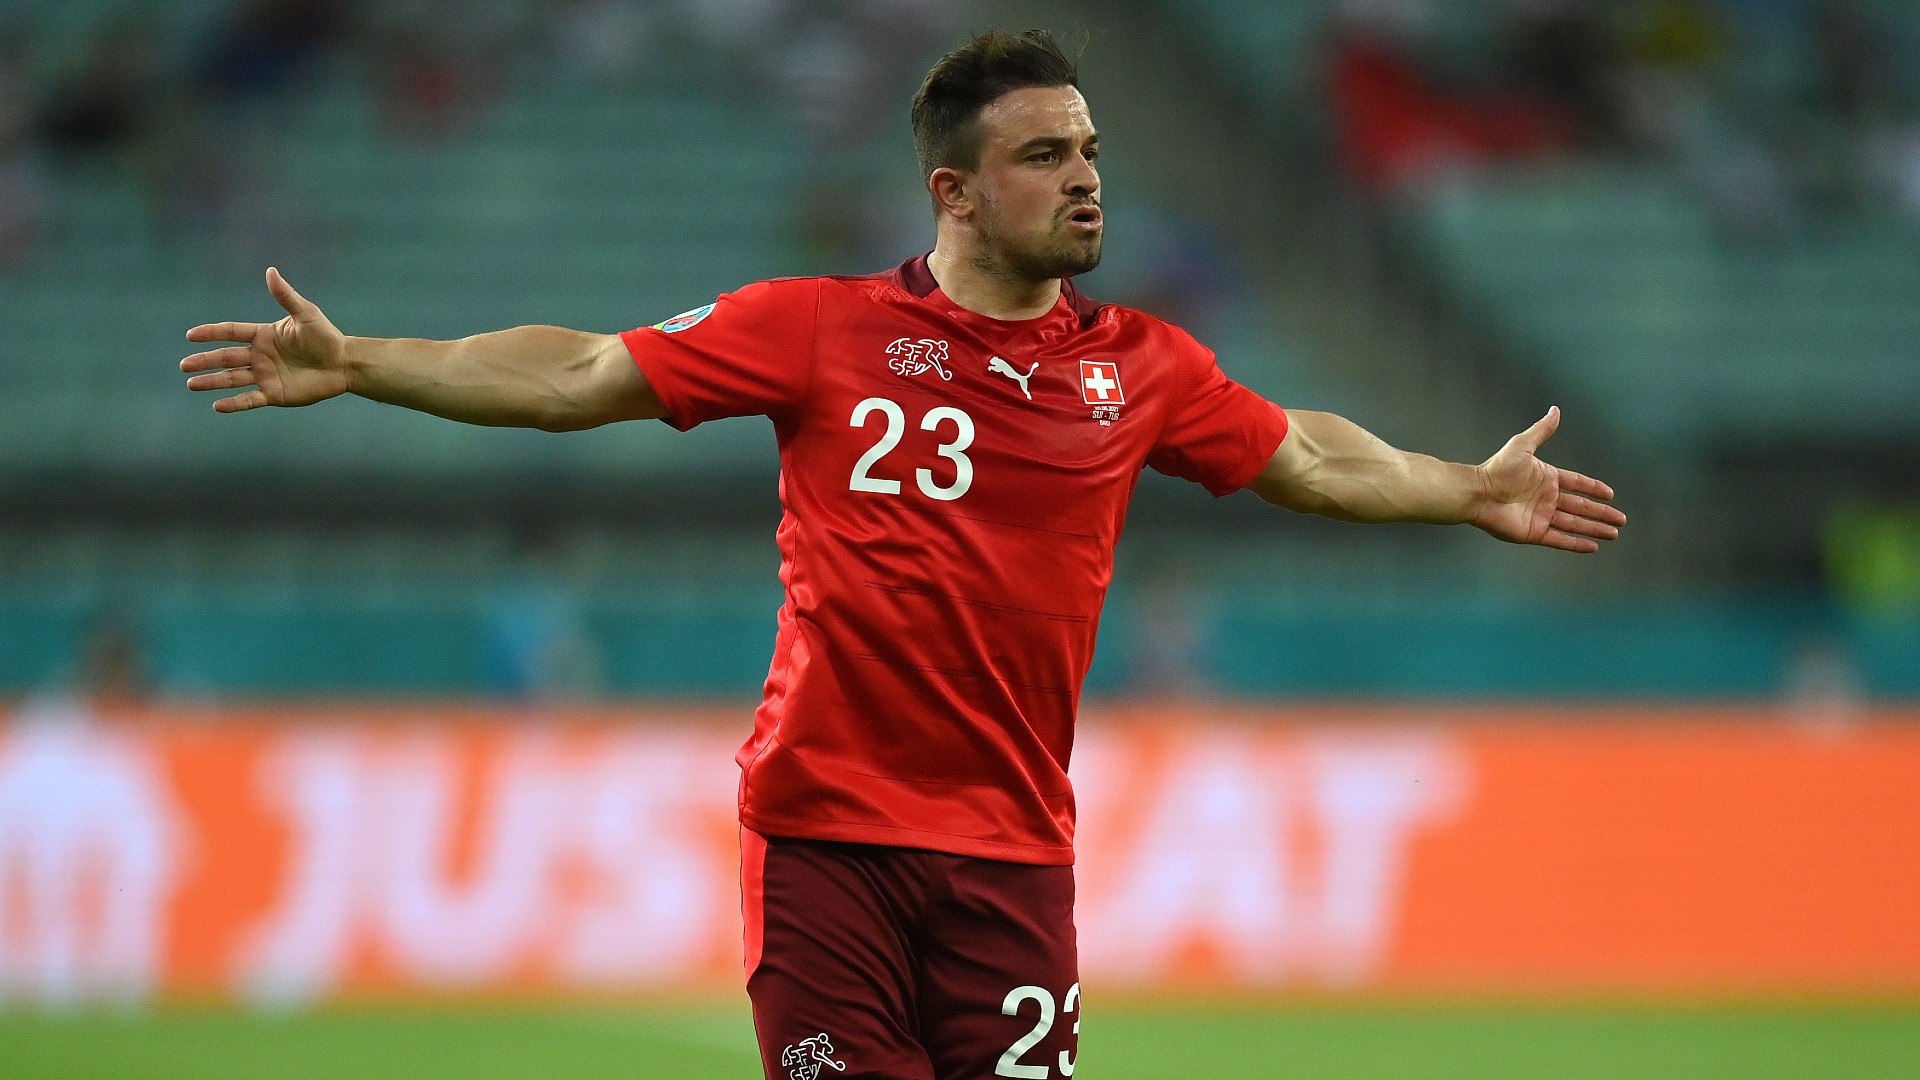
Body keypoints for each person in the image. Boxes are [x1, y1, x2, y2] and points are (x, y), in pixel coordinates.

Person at [180, 29, 1625, 1080]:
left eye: (1091, 151)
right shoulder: (818, 328)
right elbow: (578, 373)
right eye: (1045, 155)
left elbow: (1305, 453)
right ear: (954, 191)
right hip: (829, 847)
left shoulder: (1141, 366)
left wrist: (1462, 488)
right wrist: (364, 362)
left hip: (1016, 859)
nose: (1086, 180)